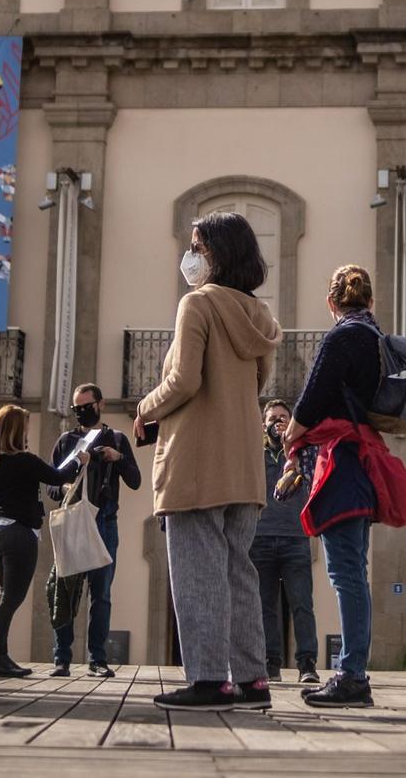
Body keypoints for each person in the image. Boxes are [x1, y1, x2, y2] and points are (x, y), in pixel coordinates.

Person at [134, 211, 282, 711]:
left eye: (196, 245)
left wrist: (144, 408)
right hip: (244, 461)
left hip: (196, 459)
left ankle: (207, 680)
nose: (190, 255)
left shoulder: (196, 304)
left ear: (215, 253)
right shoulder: (259, 317)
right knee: (239, 572)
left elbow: (185, 382)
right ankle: (251, 681)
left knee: (197, 573)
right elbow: (255, 387)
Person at [284, 264, 406, 710]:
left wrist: (290, 434)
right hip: (361, 458)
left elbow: (314, 394)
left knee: (345, 574)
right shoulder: (377, 339)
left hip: (340, 461)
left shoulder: (341, 336)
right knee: (353, 571)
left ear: (331, 303)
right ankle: (353, 672)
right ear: (371, 301)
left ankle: (353, 675)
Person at [0, 403, 88, 677]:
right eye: (24, 428)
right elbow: (58, 475)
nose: (28, 432)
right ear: (16, 431)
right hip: (18, 536)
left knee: (6, 597)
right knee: (11, 599)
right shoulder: (25, 461)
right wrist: (79, 460)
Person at [44, 382, 141, 678]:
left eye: (86, 408)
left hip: (104, 524)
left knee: (101, 594)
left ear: (100, 404)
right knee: (65, 591)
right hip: (74, 523)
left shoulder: (117, 439)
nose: (81, 413)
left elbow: (135, 481)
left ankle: (96, 659)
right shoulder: (66, 441)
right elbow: (50, 485)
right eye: (76, 409)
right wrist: (64, 484)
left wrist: (118, 458)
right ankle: (61, 658)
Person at [251, 400, 319, 684]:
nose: (277, 422)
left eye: (283, 417)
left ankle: (307, 665)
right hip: (260, 537)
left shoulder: (302, 452)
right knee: (265, 605)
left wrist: (292, 444)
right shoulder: (254, 452)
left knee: (302, 603)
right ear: (263, 423)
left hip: (296, 538)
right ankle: (271, 664)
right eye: (272, 418)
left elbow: (315, 477)